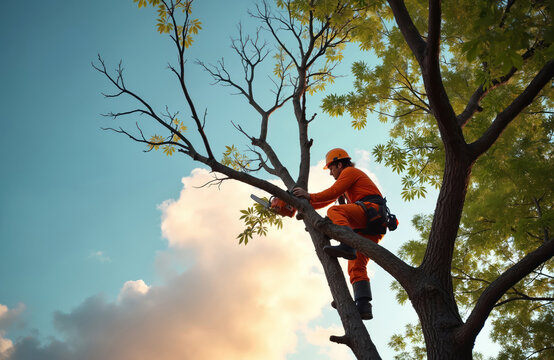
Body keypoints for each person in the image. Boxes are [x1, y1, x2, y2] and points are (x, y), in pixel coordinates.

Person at [293, 148, 385, 320]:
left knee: (335, 211)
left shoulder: (349, 172)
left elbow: (332, 193)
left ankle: (347, 245)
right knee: (356, 266)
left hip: (371, 213)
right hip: (373, 224)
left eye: (331, 169)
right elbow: (327, 198)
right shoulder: (349, 178)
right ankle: (364, 306)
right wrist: (306, 205)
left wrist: (308, 195)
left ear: (339, 164)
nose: (330, 173)